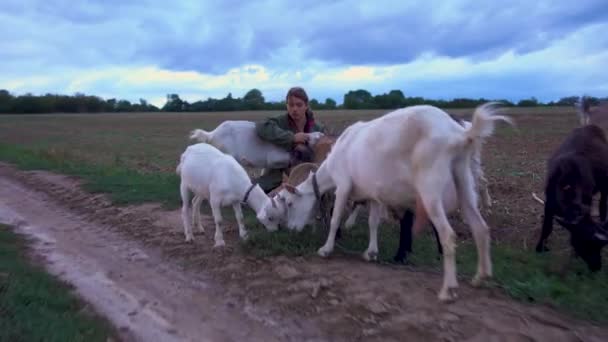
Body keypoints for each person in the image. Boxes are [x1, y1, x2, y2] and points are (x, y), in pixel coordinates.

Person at [255, 86, 325, 193]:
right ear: (286, 105)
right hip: (277, 177)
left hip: (309, 176)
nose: (294, 109)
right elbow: (261, 126)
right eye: (291, 105)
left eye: (299, 105)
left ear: (306, 106)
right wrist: (292, 137)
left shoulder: (317, 128)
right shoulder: (281, 121)